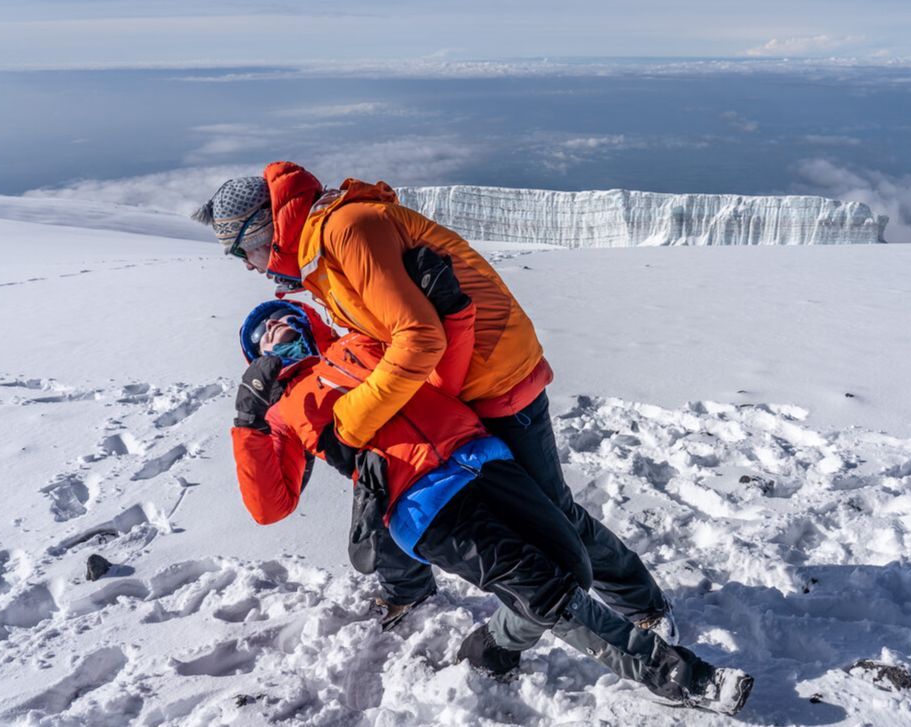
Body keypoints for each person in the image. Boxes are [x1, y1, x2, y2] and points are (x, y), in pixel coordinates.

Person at [195, 162, 676, 640]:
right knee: (434, 494)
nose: (245, 264)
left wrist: (349, 425)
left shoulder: (345, 228)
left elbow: (418, 339)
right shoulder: (321, 250)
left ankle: (642, 604)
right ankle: (435, 593)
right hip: (461, 386)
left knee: (552, 511)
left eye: (240, 250)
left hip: (494, 383)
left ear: (262, 230)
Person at [228, 287, 754, 715]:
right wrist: (249, 419)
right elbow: (269, 506)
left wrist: (445, 303)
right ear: (260, 359)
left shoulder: (361, 343)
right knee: (547, 591)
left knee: (572, 564)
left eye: (282, 318)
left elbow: (435, 360)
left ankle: (492, 649)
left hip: (483, 458)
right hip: (423, 504)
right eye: (264, 334)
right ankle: (679, 676)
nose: (277, 330)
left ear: (305, 319)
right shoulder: (282, 413)